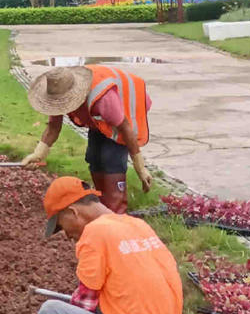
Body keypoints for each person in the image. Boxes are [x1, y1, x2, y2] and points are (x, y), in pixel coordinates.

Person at [35, 176, 182, 314]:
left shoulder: (95, 233)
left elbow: (84, 304)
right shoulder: (136, 225)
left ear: (72, 212)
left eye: (61, 225)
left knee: (50, 313)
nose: (66, 235)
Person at [21, 66, 152, 214]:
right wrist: (38, 154)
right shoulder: (60, 90)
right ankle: (104, 205)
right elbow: (53, 127)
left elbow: (126, 128)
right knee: (94, 156)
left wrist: (140, 167)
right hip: (100, 118)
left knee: (110, 158)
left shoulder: (103, 99)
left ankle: (116, 213)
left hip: (126, 107)